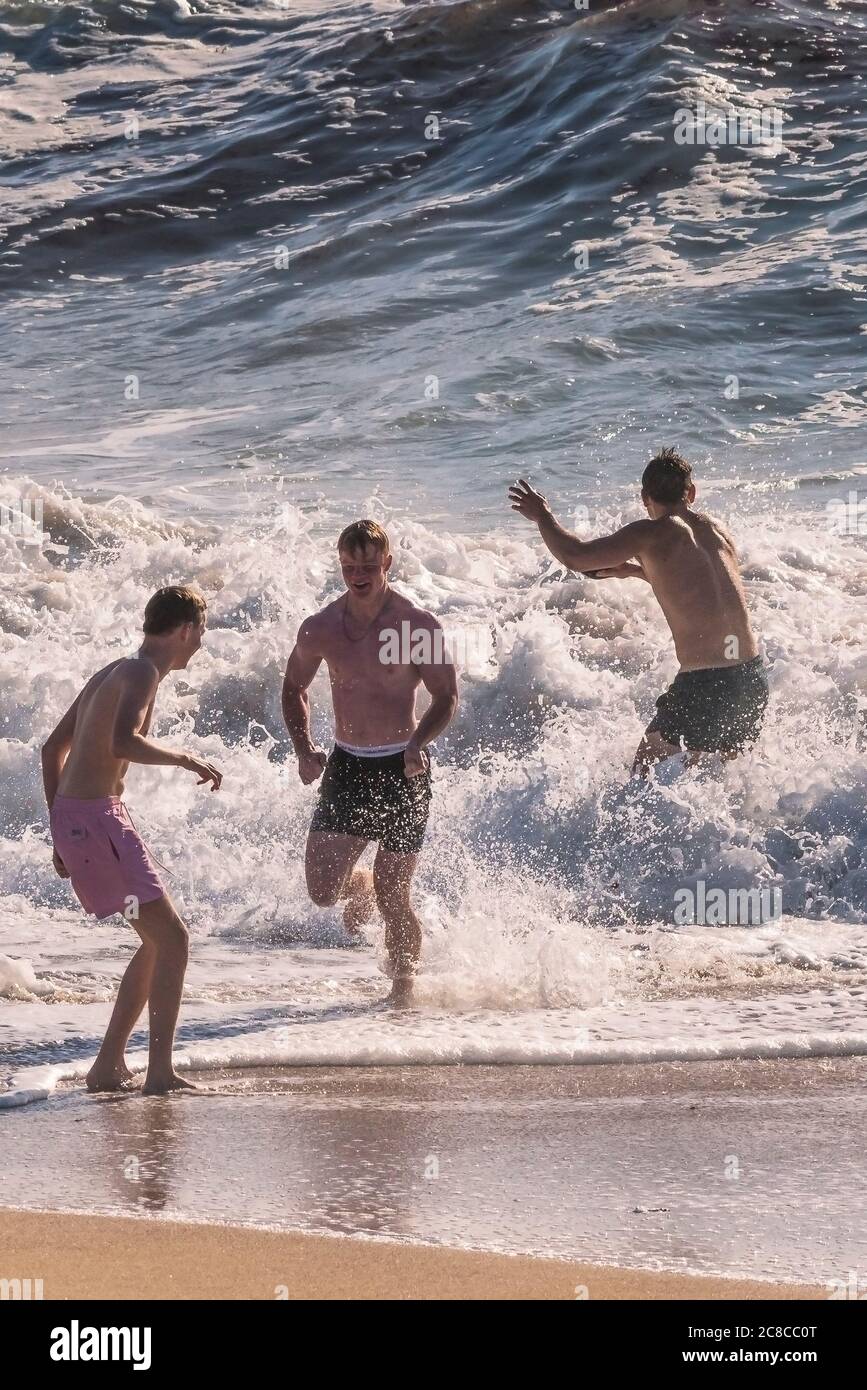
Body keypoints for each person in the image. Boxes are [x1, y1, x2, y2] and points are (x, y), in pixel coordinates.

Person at [42, 585, 222, 1094]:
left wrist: (60, 828)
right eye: (200, 633)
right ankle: (160, 1074)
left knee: (157, 943)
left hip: (83, 819)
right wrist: (184, 757)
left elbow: (51, 748)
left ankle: (107, 1066)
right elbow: (124, 740)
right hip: (99, 820)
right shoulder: (142, 672)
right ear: (184, 629)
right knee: (175, 940)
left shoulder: (113, 669)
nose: (200, 645)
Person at [282, 520, 458, 1005]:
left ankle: (402, 995)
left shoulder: (414, 626)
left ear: (388, 564)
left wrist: (419, 741)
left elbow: (446, 696)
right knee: (321, 891)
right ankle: (358, 886)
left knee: (393, 892)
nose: (358, 575)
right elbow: (293, 686)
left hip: (404, 768)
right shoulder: (321, 628)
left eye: (368, 566)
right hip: (348, 766)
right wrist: (304, 749)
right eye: (349, 567)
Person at [509, 449, 768, 775]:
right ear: (691, 492)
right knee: (717, 781)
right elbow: (709, 587)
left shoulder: (649, 532)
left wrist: (543, 516)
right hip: (751, 678)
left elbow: (575, 556)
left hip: (707, 683)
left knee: (644, 773)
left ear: (645, 497)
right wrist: (635, 571)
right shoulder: (717, 530)